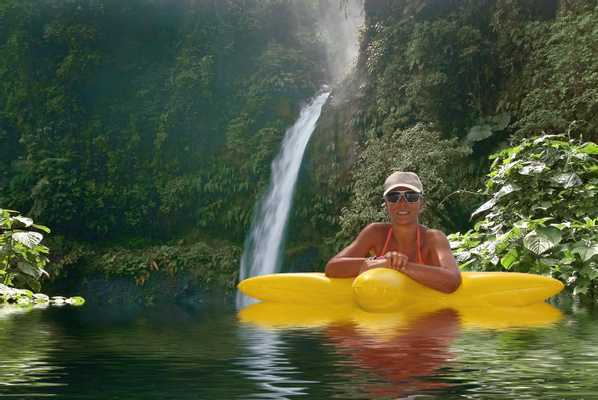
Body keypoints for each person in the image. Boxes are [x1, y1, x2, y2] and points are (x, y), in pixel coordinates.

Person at [325, 171, 461, 293]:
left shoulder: (433, 238)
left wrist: (399, 265)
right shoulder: (375, 232)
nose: (402, 203)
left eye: (411, 196)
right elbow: (332, 267)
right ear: (386, 204)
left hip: (426, 313)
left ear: (422, 204)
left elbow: (452, 281)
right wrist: (378, 262)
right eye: (394, 197)